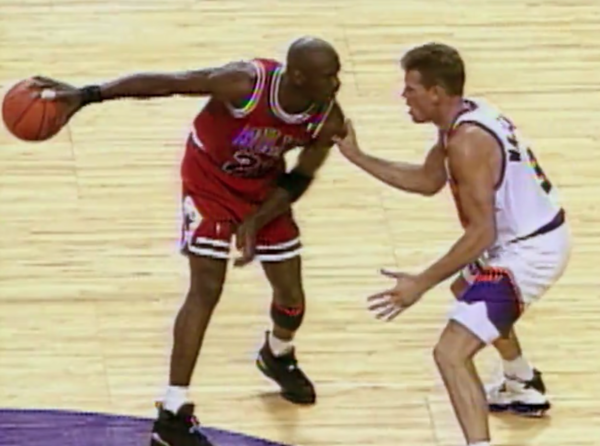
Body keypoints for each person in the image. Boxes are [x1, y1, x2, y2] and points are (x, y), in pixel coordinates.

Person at [34, 36, 345, 446]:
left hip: (264, 192)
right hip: (209, 183)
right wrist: (89, 95)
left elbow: (301, 176)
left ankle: (278, 354)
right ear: (298, 76)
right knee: (207, 288)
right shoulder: (245, 84)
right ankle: (172, 413)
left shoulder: (328, 120)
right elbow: (169, 82)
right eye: (329, 75)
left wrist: (255, 221)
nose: (338, 83)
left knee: (291, 297)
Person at [332, 42, 570, 446]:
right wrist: (357, 156)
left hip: (530, 252)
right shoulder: (463, 118)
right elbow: (427, 181)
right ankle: (522, 382)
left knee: (451, 353)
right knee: (465, 288)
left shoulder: (466, 143)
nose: (403, 96)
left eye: (410, 88)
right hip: (529, 234)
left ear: (436, 92)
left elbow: (482, 234)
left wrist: (419, 283)